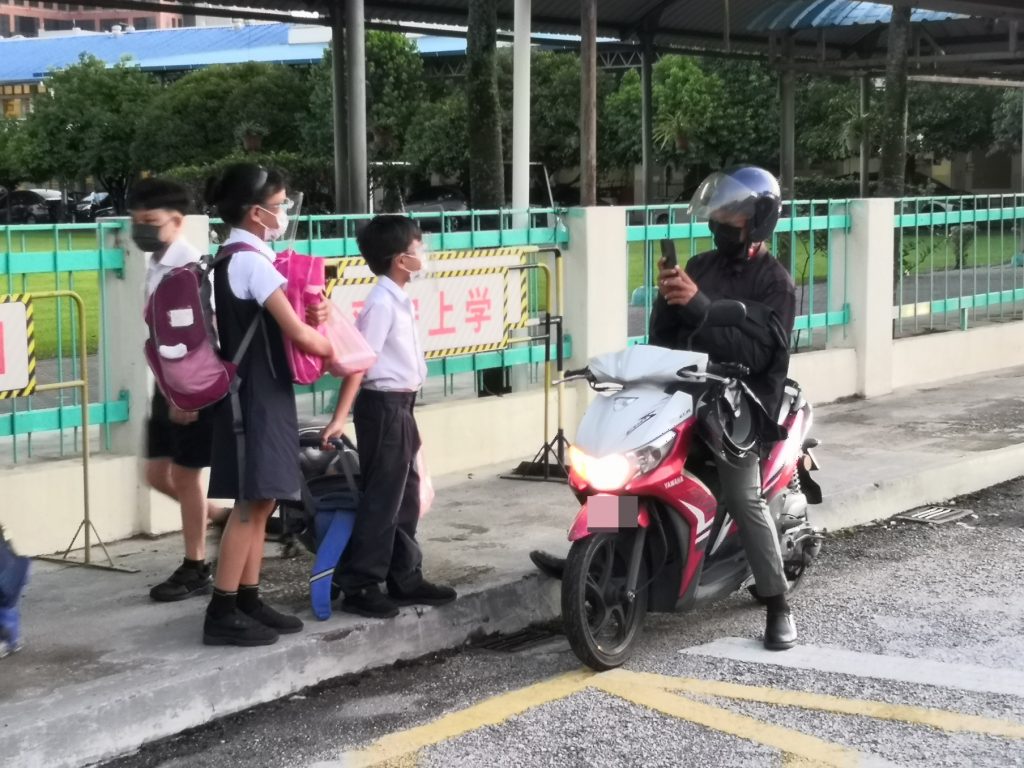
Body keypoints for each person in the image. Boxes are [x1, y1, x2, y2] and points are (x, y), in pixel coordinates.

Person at [651, 165, 797, 650]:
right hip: (692, 391)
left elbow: (756, 354)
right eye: (719, 211)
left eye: (732, 212)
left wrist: (698, 308)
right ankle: (599, 551)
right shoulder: (700, 265)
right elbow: (667, 338)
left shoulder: (775, 284)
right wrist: (668, 301)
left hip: (744, 404)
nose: (721, 220)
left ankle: (777, 604)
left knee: (742, 495)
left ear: (757, 220)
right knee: (636, 462)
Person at [202, 163, 333, 647]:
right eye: (280, 205)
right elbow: (296, 332)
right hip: (254, 394)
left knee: (263, 500)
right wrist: (338, 347)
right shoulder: (251, 262)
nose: (285, 212)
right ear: (257, 213)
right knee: (249, 503)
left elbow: (293, 318)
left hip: (261, 388)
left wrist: (315, 311)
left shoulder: (240, 255)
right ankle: (221, 610)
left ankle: (248, 598)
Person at [321, 215, 456, 619]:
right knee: (383, 499)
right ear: (401, 259)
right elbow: (359, 365)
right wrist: (339, 418)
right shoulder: (381, 303)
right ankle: (360, 583)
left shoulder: (396, 298)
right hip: (383, 406)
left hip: (402, 405)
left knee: (407, 495)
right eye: (419, 248)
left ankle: (404, 576)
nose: (424, 254)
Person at [129, 178, 228, 603]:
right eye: (136, 222)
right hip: (166, 383)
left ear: (177, 221)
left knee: (186, 475)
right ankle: (220, 517)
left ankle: (195, 566)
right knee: (155, 473)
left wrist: (183, 398)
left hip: (189, 387)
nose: (142, 231)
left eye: (150, 222)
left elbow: (199, 340)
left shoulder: (189, 270)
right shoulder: (158, 264)